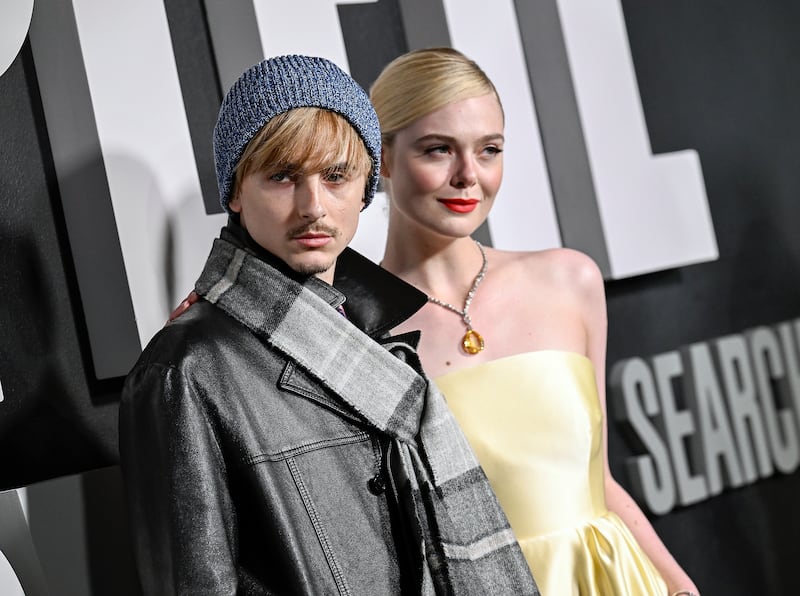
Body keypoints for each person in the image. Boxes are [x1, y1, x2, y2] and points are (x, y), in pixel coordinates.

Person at [119, 54, 538, 595]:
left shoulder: (380, 336)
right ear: (235, 192)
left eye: (336, 176)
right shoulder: (186, 368)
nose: (314, 206)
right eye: (283, 176)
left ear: (365, 188)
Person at [370, 47, 701, 596]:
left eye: (489, 150)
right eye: (437, 150)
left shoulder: (569, 281)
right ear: (382, 157)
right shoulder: (356, 334)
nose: (468, 176)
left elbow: (599, 481)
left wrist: (681, 586)